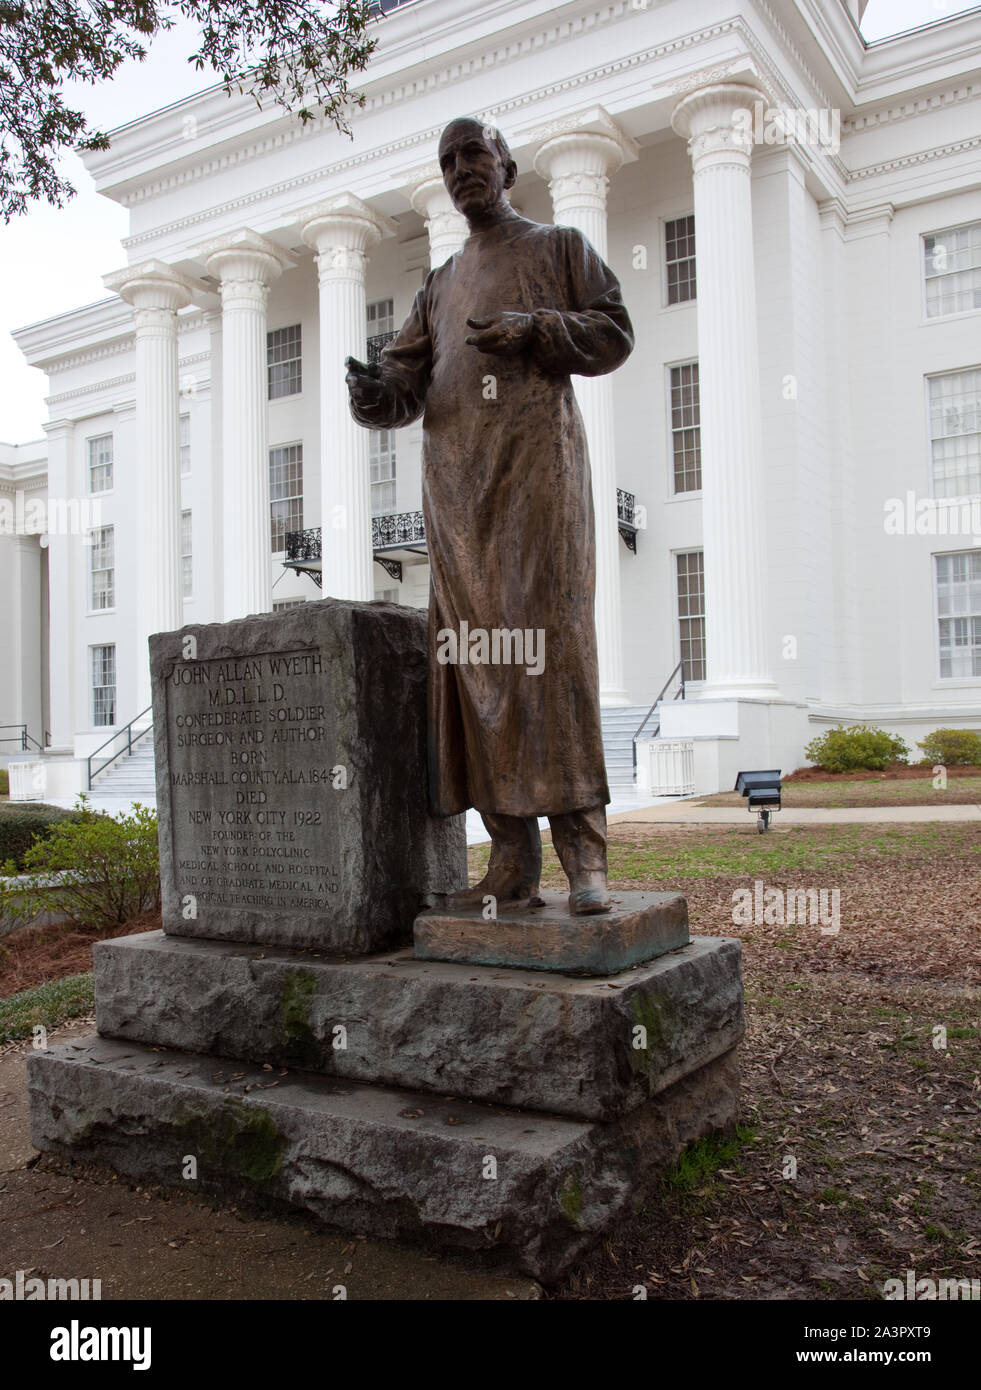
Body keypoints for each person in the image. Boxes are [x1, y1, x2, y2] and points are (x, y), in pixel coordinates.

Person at [346, 116, 633, 915]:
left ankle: (585, 860)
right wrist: (371, 393)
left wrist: (538, 330)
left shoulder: (559, 247)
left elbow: (612, 333)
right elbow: (401, 386)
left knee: (552, 654)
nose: (461, 168)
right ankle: (511, 857)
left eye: (473, 153)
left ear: (505, 163)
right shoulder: (437, 284)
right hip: (457, 497)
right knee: (473, 667)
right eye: (446, 160)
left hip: (537, 482)